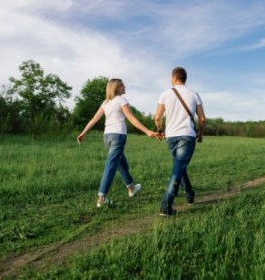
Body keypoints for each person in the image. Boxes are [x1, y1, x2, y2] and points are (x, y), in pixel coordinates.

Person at [77, 78, 156, 208]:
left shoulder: (106, 102)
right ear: (116, 88)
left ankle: (131, 188)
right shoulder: (121, 100)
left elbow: (94, 119)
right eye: (122, 86)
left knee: (120, 162)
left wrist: (83, 132)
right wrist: (147, 131)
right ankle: (102, 197)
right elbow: (131, 118)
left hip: (107, 136)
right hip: (118, 135)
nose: (125, 87)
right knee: (111, 165)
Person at [154, 67, 206, 216]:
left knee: (179, 166)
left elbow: (157, 118)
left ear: (175, 78)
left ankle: (189, 194)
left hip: (171, 137)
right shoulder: (194, 94)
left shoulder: (164, 94)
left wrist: (159, 131)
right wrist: (200, 133)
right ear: (184, 78)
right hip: (187, 136)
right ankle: (166, 206)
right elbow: (202, 118)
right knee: (178, 169)